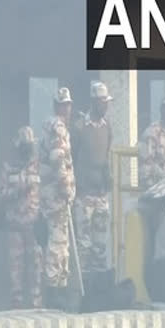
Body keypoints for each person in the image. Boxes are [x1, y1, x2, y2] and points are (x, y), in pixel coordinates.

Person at [70, 81, 113, 277]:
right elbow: (71, 158)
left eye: (107, 102)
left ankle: (99, 286)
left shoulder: (107, 127)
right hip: (84, 195)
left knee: (100, 244)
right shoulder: (79, 127)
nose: (106, 106)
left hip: (101, 194)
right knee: (84, 245)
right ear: (95, 102)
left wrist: (107, 177)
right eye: (103, 102)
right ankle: (83, 286)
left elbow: (105, 155)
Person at [39, 87, 76, 308]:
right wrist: (65, 188)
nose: (67, 108)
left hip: (53, 195)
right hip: (56, 195)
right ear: (57, 106)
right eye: (63, 105)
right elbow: (58, 159)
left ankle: (60, 286)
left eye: (68, 104)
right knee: (57, 243)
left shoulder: (52, 126)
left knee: (61, 242)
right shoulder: (58, 127)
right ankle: (55, 289)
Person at [0, 127, 42, 309]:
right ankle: (16, 303)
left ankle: (36, 303)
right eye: (25, 146)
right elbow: (0, 193)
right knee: (16, 267)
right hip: (15, 224)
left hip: (33, 225)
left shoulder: (38, 165)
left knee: (36, 264)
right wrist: (17, 190)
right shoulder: (8, 167)